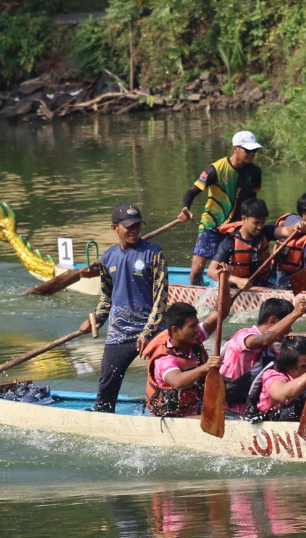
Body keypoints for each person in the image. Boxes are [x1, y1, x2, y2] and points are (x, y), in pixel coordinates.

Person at [81, 203, 170, 413]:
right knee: (106, 387)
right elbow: (107, 296)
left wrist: (148, 332)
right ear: (115, 228)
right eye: (129, 226)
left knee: (168, 378)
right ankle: (104, 416)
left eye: (137, 225)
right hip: (119, 333)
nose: (135, 230)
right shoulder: (107, 258)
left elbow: (161, 298)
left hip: (153, 331)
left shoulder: (154, 254)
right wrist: (97, 319)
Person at [180, 129, 263, 286]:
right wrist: (185, 209)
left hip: (237, 227)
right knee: (197, 270)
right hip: (212, 225)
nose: (251, 154)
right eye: (248, 150)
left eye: (254, 151)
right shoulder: (215, 170)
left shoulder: (255, 172)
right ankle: (195, 294)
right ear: (235, 148)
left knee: (234, 269)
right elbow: (192, 191)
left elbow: (252, 202)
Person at [219, 295, 306, 404]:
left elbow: (293, 356)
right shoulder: (244, 335)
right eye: (288, 324)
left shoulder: (270, 349)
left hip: (247, 406)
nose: (289, 329)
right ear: (272, 320)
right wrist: (295, 314)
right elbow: (263, 340)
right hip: (227, 405)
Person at [142, 301, 224, 417]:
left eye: (197, 325)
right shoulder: (165, 359)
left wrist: (225, 288)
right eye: (192, 327)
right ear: (175, 330)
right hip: (170, 418)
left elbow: (219, 313)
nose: (197, 330)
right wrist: (206, 367)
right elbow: (177, 382)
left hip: (194, 410)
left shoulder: (192, 338)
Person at [247, 335, 306, 423]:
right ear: (289, 367)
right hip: (264, 425)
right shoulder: (272, 376)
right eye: (305, 366)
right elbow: (283, 395)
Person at [209, 197, 279, 291]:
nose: (260, 227)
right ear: (244, 218)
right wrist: (237, 280)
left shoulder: (265, 231)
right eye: (256, 223)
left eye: (262, 223)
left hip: (260, 284)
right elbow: (211, 271)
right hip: (236, 288)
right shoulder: (230, 241)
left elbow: (286, 231)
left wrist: (298, 226)